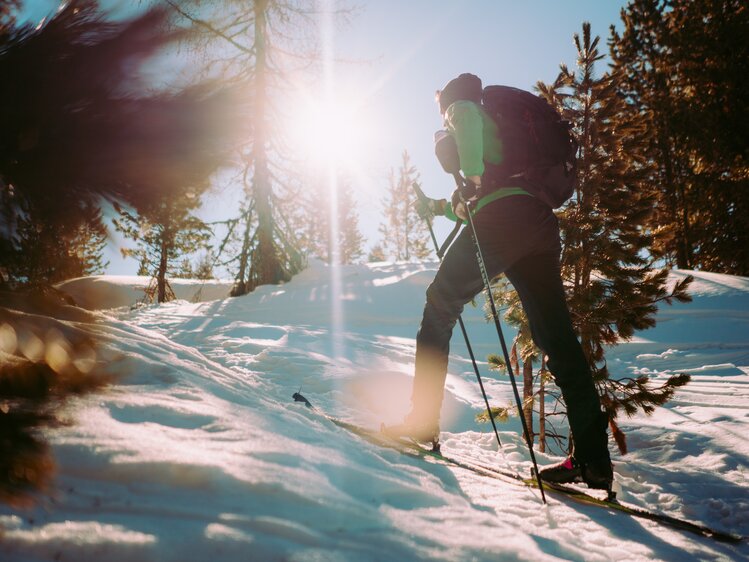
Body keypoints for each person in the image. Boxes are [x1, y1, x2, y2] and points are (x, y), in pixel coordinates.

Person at [389, 73, 613, 490]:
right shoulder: (510, 142)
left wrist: (470, 176)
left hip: (502, 221)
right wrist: (443, 205)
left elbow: (473, 156)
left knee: (440, 304)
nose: (446, 118)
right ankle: (593, 461)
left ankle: (421, 424)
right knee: (557, 339)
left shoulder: (463, 106)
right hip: (539, 224)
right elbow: (479, 196)